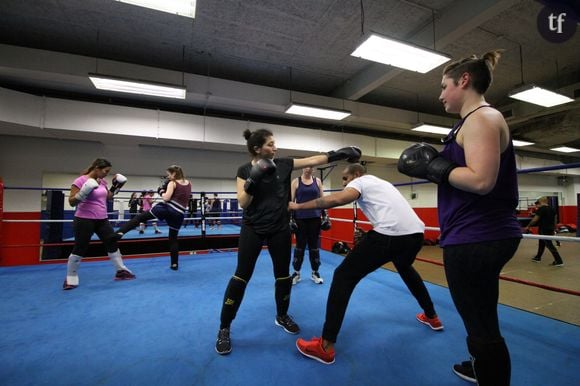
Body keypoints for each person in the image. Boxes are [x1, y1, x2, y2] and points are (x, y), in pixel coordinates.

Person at [398, 50, 522, 386]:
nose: (440, 94)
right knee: (480, 316)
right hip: (476, 233)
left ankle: (490, 375)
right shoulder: (469, 123)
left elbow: (482, 181)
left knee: (480, 322)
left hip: (477, 235)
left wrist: (436, 167)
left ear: (463, 81)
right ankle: (482, 366)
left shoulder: (482, 118)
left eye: (444, 86)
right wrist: (440, 169)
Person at [215, 128, 361, 355]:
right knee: (241, 275)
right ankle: (224, 327)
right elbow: (243, 203)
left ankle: (282, 315)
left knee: (283, 275)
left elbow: (312, 160)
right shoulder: (244, 170)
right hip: (252, 228)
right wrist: (253, 179)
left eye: (275, 144)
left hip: (279, 228)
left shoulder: (283, 164)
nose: (276, 147)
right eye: (271, 144)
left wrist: (339, 153)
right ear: (257, 148)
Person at [291, 163, 443, 365]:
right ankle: (432, 316)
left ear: (356, 174)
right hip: (415, 235)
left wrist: (298, 207)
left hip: (390, 235)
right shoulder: (382, 183)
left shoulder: (361, 181)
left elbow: (336, 199)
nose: (344, 183)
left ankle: (325, 346)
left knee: (343, 276)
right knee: (405, 268)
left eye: (345, 178)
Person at [63, 158, 135, 290]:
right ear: (97, 168)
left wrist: (116, 186)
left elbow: (108, 197)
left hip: (102, 219)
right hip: (84, 219)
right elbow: (72, 202)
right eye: (105, 171)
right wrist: (84, 192)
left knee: (112, 242)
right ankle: (70, 278)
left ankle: (121, 271)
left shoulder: (102, 181)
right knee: (80, 247)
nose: (107, 174)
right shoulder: (80, 181)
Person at [113, 165, 192, 270]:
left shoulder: (173, 183)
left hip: (167, 209)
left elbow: (166, 198)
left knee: (140, 218)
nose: (168, 177)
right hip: (179, 214)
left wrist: (160, 191)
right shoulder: (189, 183)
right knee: (173, 239)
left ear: (174, 173)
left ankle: (120, 232)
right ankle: (174, 264)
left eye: (169, 174)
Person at [289, 167, 326, 285]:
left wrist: (325, 215)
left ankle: (315, 272)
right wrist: (290, 218)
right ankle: (296, 273)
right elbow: (291, 201)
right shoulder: (296, 182)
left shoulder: (318, 181)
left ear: (313, 170)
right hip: (300, 218)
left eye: (310, 168)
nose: (307, 169)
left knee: (314, 246)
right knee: (299, 246)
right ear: (303, 168)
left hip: (315, 218)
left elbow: (322, 199)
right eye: (305, 167)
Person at [526, 196, 564, 266]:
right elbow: (555, 219)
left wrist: (528, 226)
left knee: (549, 245)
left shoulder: (541, 209)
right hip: (550, 228)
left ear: (540, 201)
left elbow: (535, 220)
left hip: (544, 229)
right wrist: (554, 228)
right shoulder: (552, 209)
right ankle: (538, 257)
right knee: (541, 243)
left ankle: (559, 260)